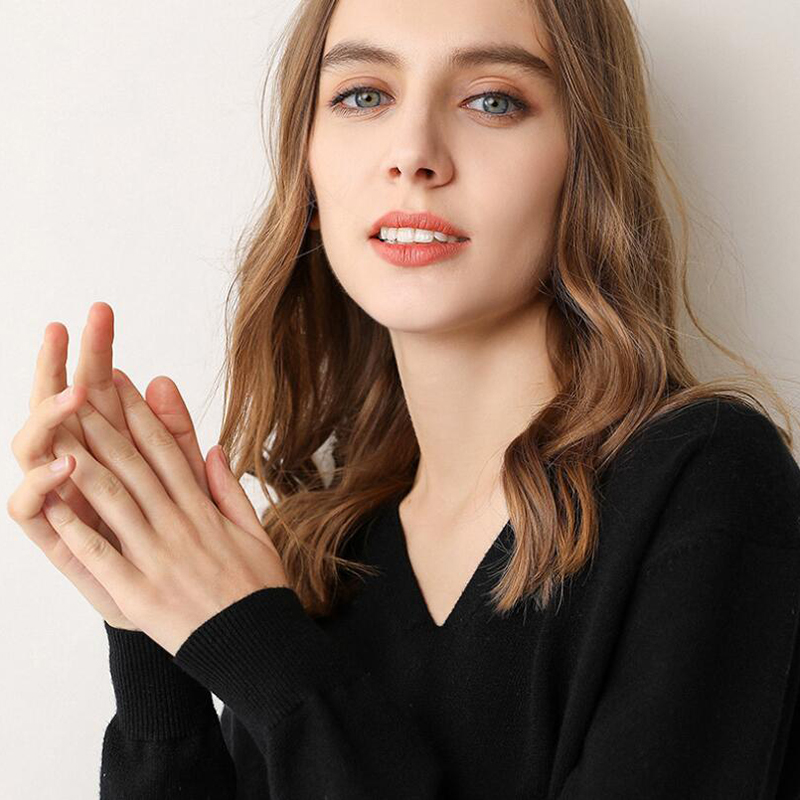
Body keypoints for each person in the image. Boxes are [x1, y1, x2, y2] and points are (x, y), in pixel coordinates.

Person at [8, 0, 800, 797]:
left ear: (584, 164)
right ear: (308, 170)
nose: (413, 153)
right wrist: (151, 621)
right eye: (363, 95)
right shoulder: (328, 558)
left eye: (493, 100)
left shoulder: (709, 479)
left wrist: (263, 653)